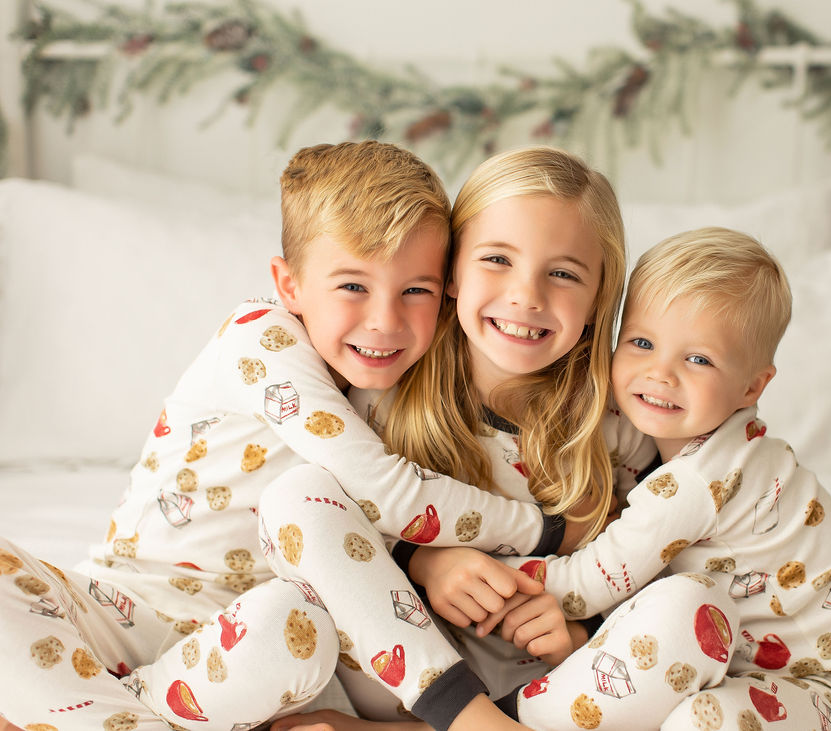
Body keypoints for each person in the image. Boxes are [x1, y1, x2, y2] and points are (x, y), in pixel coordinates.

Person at [0, 141, 578, 731]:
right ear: (290, 285)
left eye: (416, 290)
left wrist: (428, 558)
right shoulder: (260, 337)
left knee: (301, 622)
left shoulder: (405, 391)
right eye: (353, 286)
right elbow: (388, 494)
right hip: (124, 606)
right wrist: (549, 529)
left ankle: (68, 710)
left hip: (256, 649)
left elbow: (365, 542)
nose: (384, 320)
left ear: (447, 289)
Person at [271, 146, 660, 730]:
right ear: (452, 273)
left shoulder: (618, 424)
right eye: (498, 259)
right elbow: (344, 538)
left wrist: (583, 631)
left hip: (542, 688)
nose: (527, 296)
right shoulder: (387, 390)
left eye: (562, 273)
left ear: (599, 296)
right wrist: (423, 560)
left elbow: (662, 559)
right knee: (295, 496)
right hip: (393, 677)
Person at [478, 227, 831, 729]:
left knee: (702, 720)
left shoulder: (707, 476)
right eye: (641, 342)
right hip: (736, 670)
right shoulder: (665, 441)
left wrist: (482, 567)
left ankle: (502, 720)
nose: (660, 373)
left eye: (698, 359)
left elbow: (588, 584)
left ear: (752, 385)